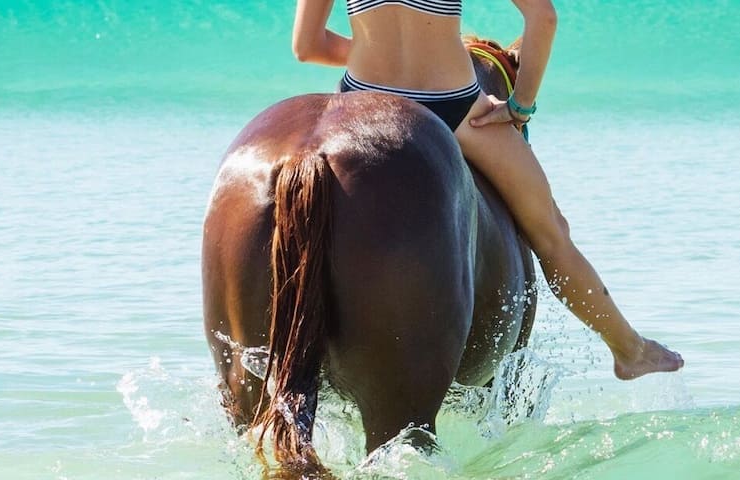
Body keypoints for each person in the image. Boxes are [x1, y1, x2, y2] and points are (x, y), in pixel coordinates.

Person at [291, 0, 683, 380]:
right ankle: (630, 351)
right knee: (551, 234)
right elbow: (543, 18)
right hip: (451, 105)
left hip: (361, 101)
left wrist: (370, 46)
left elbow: (307, 47)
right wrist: (520, 106)